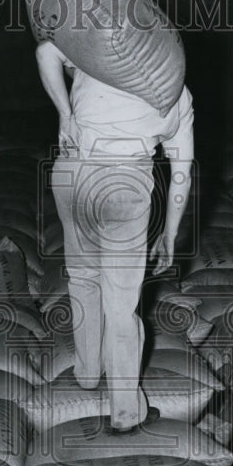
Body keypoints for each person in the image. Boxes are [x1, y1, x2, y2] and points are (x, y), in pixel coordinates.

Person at [35, 39, 194, 432]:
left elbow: (45, 52)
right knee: (122, 302)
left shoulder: (94, 57)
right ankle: (124, 411)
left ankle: (88, 372)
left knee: (83, 275)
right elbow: (181, 173)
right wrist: (170, 233)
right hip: (124, 183)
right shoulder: (176, 91)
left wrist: (65, 114)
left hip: (72, 175)